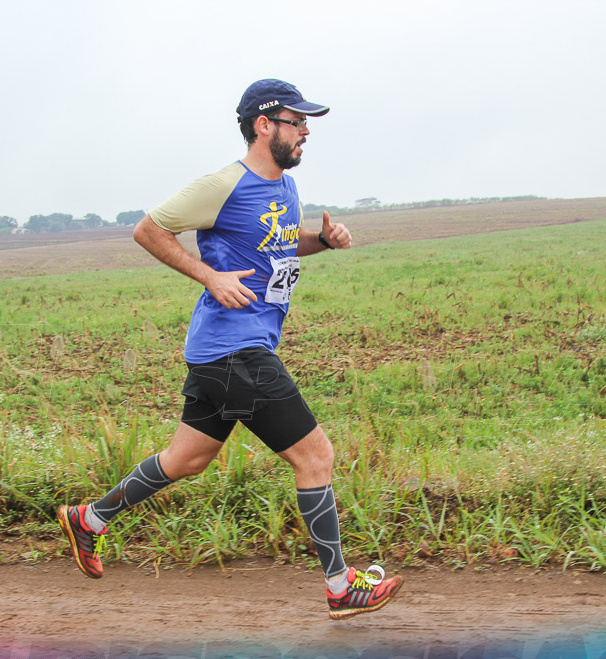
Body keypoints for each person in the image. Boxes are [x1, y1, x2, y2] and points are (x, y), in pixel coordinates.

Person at [57, 78, 403, 620]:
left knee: (187, 458)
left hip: (220, 350)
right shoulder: (223, 183)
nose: (307, 131)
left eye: (307, 122)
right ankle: (340, 586)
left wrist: (323, 243)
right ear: (264, 125)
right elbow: (149, 230)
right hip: (235, 348)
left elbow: (280, 249)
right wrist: (209, 275)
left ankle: (89, 520)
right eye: (297, 121)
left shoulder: (285, 188)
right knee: (316, 457)